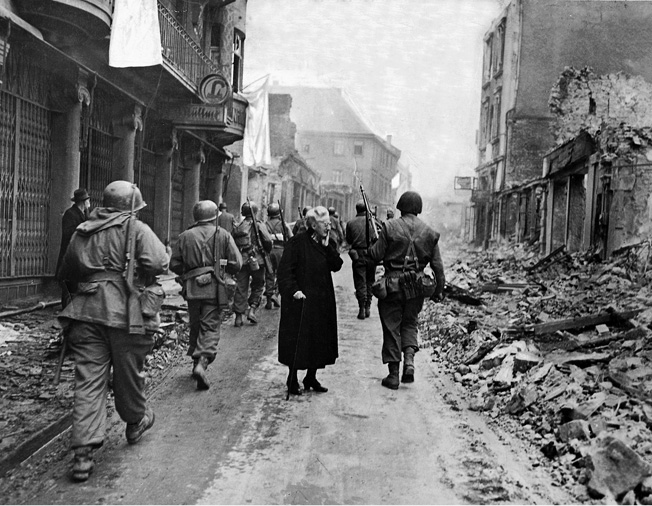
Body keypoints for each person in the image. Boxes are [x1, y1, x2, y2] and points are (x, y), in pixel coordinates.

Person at [57, 181, 169, 482]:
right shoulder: (135, 228)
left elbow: (68, 270)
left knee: (88, 381)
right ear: (130, 207)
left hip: (86, 313)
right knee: (128, 375)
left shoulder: (84, 229)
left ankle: (82, 454)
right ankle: (134, 423)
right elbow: (159, 261)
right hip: (126, 314)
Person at [369, 191, 445, 390]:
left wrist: (373, 241)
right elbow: (437, 267)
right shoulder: (429, 232)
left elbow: (374, 255)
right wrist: (439, 291)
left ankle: (393, 375)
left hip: (393, 285)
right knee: (410, 323)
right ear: (418, 209)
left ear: (400, 206)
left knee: (392, 326)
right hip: (417, 287)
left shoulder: (389, 227)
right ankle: (409, 364)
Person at [169, 200, 242, 390]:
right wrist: (224, 268)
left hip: (192, 288)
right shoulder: (223, 234)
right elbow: (237, 263)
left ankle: (195, 362)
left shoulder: (185, 236)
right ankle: (201, 363)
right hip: (215, 287)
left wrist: (189, 271)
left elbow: (174, 264)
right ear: (214, 217)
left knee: (196, 323)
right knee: (209, 327)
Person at [277, 206, 343, 395]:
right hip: (301, 300)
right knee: (298, 338)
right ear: (313, 225)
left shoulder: (326, 243)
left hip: (321, 300)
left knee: (319, 338)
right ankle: (292, 378)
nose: (329, 227)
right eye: (325, 224)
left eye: (329, 223)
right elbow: (284, 272)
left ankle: (311, 377)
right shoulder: (297, 243)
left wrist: (328, 247)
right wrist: (293, 291)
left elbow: (337, 265)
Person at [232, 201, 273, 327]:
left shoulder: (239, 226)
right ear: (255, 212)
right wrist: (264, 251)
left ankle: (238, 318)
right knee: (258, 285)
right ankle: (252, 310)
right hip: (257, 260)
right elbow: (268, 241)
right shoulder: (259, 224)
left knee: (241, 287)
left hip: (242, 260)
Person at [56, 188, 91, 308]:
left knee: (77, 285)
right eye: (87, 200)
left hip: (80, 254)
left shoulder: (85, 214)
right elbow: (68, 234)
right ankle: (66, 310)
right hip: (70, 255)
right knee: (69, 284)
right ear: (83, 201)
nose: (89, 202)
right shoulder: (70, 214)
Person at [345, 199, 377, 320]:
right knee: (370, 281)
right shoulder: (372, 222)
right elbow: (376, 237)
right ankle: (368, 306)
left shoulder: (351, 223)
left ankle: (362, 308)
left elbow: (348, 240)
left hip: (358, 255)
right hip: (371, 254)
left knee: (360, 282)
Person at [263, 202, 292, 310]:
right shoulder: (283, 224)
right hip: (281, 252)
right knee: (283, 274)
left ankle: (269, 301)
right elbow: (291, 237)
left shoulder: (265, 224)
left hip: (269, 252)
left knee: (269, 275)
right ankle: (276, 293)